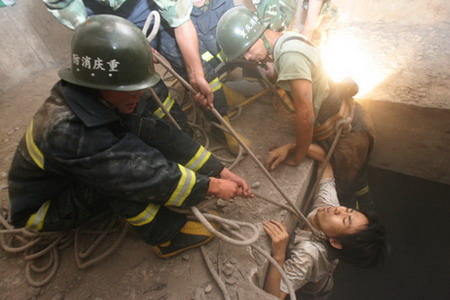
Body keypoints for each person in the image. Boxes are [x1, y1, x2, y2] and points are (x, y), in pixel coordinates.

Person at [7, 15, 253, 259]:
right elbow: (138, 173)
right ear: (102, 83)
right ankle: (167, 237)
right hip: (45, 208)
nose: (140, 95)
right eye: (134, 91)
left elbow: (159, 134)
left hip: (71, 175)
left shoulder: (103, 93)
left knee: (137, 146)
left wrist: (216, 170)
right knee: (123, 178)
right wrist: (213, 187)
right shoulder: (68, 129)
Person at [217, 6, 375, 210]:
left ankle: (366, 227)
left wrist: (298, 154)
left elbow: (306, 115)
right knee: (358, 181)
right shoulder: (285, 39)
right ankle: (366, 207)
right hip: (350, 120)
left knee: (344, 196)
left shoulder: (289, 56)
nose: (247, 58)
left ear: (259, 34)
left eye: (247, 49)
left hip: (345, 134)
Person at [42, 0, 249, 154]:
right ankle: (184, 138)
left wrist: (196, 75)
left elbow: (181, 21)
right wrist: (116, 42)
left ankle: (221, 125)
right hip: (98, 17)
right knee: (141, 88)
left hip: (144, 6)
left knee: (193, 62)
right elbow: (81, 24)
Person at [262, 144, 388, 299]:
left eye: (345, 220)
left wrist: (279, 256)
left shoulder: (307, 255)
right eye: (348, 210)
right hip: (319, 272)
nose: (339, 210)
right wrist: (290, 148)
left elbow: (273, 297)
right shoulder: (329, 207)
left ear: (335, 242)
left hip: (315, 292)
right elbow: (324, 159)